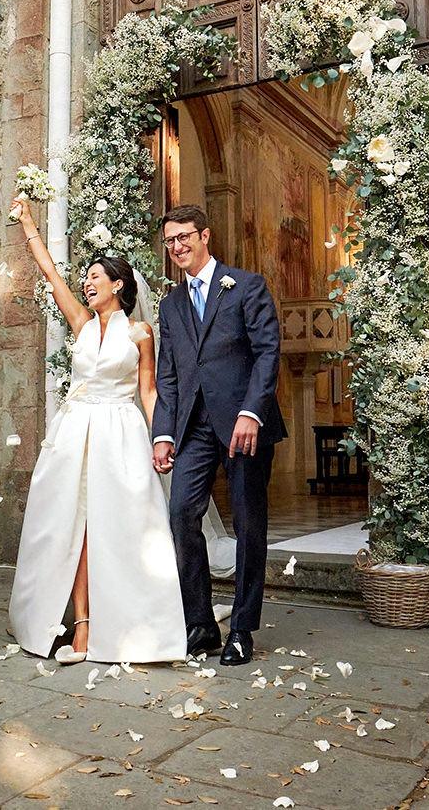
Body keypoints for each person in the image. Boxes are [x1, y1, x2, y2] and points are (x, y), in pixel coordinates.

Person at [6, 199, 186, 664]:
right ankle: (82, 626)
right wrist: (28, 223)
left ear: (117, 285)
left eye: (94, 277)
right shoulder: (81, 323)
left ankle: (129, 622)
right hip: (74, 431)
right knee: (75, 526)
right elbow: (50, 273)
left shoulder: (140, 332)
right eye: (85, 278)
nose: (86, 283)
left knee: (122, 526)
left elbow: (148, 391)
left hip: (120, 434)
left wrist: (162, 437)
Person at [152, 204, 286, 667]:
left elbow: (268, 352)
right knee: (181, 514)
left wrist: (252, 412)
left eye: (184, 237)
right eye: (170, 241)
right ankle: (202, 624)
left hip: (244, 425)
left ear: (204, 236)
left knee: (249, 524)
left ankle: (243, 629)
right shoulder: (170, 305)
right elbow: (168, 375)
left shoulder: (246, 285)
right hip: (194, 427)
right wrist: (163, 433)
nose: (177, 247)